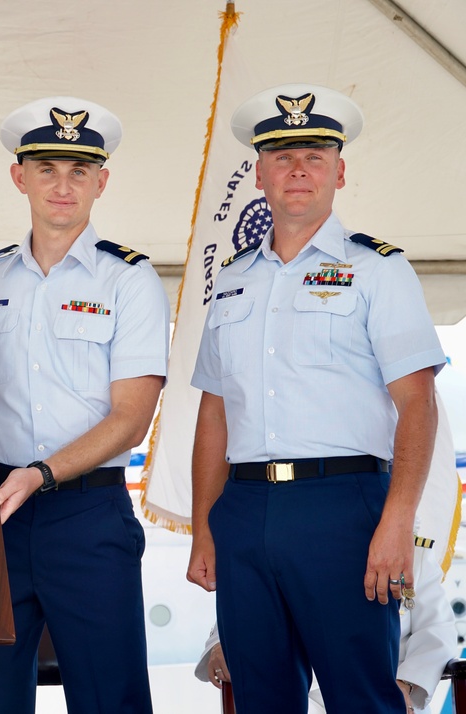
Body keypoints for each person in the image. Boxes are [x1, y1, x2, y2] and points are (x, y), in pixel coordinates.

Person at [187, 83, 445, 714]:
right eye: (282, 156)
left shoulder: (379, 269)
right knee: (260, 700)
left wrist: (397, 521)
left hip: (344, 510)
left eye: (315, 155)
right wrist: (204, 524)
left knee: (361, 698)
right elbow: (215, 410)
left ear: (340, 171)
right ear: (259, 173)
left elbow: (418, 403)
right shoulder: (233, 282)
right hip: (244, 509)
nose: (298, 169)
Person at [0, 96, 169, 714]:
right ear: (19, 177)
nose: (63, 185)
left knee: (111, 701)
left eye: (79, 170)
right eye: (47, 168)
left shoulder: (129, 280)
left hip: (88, 517)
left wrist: (41, 474)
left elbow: (131, 418)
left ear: (102, 181)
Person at [195, 540, 457, 713]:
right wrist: (220, 644)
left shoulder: (412, 554)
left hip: (387, 698)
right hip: (301, 700)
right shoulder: (285, 546)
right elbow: (247, 608)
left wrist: (406, 684)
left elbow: (438, 630)